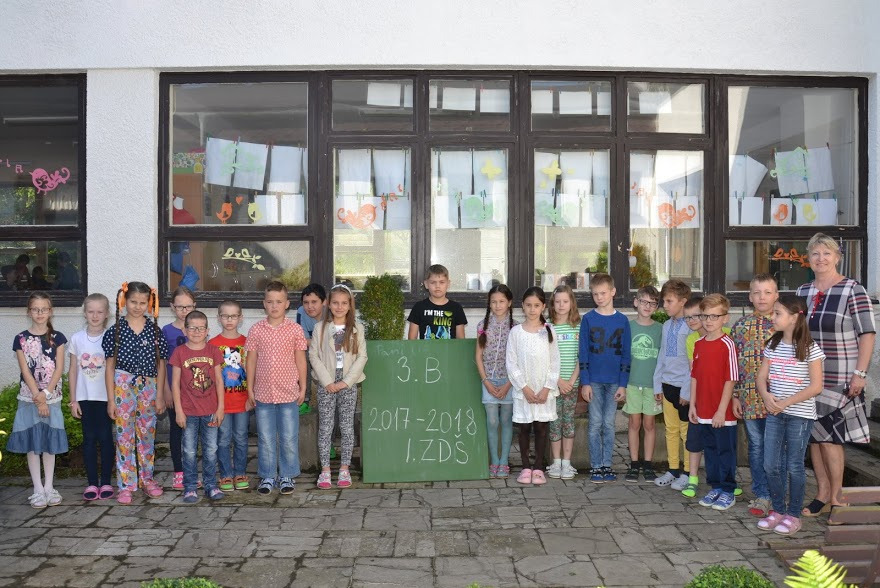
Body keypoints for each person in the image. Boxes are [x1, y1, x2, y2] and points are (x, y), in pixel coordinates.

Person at [797, 233, 876, 517]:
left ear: (837, 257)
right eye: (815, 253)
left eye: (827, 253)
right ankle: (821, 494)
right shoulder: (803, 291)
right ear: (809, 258)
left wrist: (860, 374)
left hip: (841, 376)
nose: (821, 259)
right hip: (809, 375)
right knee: (815, 437)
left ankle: (837, 497)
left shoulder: (853, 289)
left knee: (831, 439)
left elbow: (867, 334)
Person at [756, 295, 825, 536]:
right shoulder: (773, 344)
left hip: (799, 416)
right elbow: (761, 377)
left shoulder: (810, 348)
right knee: (770, 464)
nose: (772, 317)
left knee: (794, 466)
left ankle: (793, 514)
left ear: (794, 318)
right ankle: (778, 509)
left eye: (778, 313)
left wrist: (785, 403)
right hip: (775, 414)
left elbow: (816, 386)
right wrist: (766, 396)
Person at [102, 281, 170, 504]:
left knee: (147, 433)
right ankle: (126, 484)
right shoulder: (115, 331)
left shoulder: (155, 331)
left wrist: (160, 395)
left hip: (149, 386)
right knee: (124, 435)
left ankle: (147, 479)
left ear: (149, 304)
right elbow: (109, 367)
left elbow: (161, 366)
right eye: (133, 302)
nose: (138, 307)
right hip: (123, 385)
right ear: (124, 301)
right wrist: (111, 400)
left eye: (143, 302)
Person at [245, 281, 308, 496]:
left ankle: (287, 474)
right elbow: (251, 361)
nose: (274, 306)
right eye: (270, 302)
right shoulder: (256, 330)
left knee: (289, 437)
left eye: (279, 302)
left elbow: (300, 360)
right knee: (265, 437)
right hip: (263, 394)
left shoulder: (295, 329)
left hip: (288, 393)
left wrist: (303, 387)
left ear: (287, 304)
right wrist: (250, 389)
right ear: (264, 304)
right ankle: (268, 475)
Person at [8, 292, 68, 508]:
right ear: (29, 311)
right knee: (33, 444)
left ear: (50, 311)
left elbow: (59, 369)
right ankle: (37, 489)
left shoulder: (58, 338)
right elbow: (25, 370)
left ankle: (50, 486)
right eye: (35, 309)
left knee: (50, 442)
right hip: (29, 398)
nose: (40, 313)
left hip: (51, 398)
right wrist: (37, 396)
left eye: (44, 309)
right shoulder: (20, 339)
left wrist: (46, 395)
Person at [309, 284, 368, 489]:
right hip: (326, 381)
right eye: (335, 303)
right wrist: (327, 381)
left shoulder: (357, 328)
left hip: (348, 382)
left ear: (350, 305)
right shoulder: (320, 328)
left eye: (344, 303)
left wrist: (346, 381)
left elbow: (362, 357)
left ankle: (344, 468)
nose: (339, 307)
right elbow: (313, 356)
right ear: (328, 304)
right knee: (326, 426)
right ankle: (325, 470)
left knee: (346, 425)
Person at [731, 274, 779, 517]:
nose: (762, 297)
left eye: (767, 292)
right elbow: (733, 365)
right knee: (757, 446)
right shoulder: (740, 326)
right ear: (750, 297)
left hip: (777, 399)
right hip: (749, 398)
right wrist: (735, 395)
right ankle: (762, 494)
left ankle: (777, 493)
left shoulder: (784, 325)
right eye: (757, 293)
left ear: (776, 295)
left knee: (776, 448)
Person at [682, 297, 737, 498]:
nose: (709, 320)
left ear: (725, 318)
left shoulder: (728, 344)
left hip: (722, 413)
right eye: (705, 316)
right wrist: (693, 406)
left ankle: (728, 490)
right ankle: (715, 487)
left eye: (715, 316)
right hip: (703, 410)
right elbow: (694, 377)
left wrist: (721, 411)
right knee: (710, 450)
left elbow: (731, 379)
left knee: (725, 451)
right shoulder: (698, 344)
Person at [580, 273, 631, 484]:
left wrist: (623, 384)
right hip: (593, 381)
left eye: (603, 293)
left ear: (613, 292)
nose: (599, 297)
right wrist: (585, 382)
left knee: (609, 424)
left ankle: (607, 465)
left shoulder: (623, 321)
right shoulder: (588, 319)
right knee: (595, 424)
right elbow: (583, 352)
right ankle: (595, 466)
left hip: (614, 382)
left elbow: (626, 355)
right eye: (595, 294)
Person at [170, 310, 225, 503]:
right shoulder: (179, 352)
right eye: (192, 328)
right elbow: (175, 384)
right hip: (188, 412)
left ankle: (211, 485)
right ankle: (190, 487)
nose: (196, 332)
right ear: (185, 330)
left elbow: (219, 381)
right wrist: (178, 411)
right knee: (189, 451)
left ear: (207, 331)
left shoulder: (213, 351)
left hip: (210, 411)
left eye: (201, 328)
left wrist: (220, 408)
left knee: (211, 449)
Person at [507, 287, 559, 486]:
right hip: (524, 391)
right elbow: (511, 363)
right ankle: (525, 467)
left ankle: (538, 468)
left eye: (536, 305)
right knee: (524, 428)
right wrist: (524, 388)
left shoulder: (548, 331)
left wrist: (547, 388)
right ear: (522, 306)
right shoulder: (516, 332)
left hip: (543, 391)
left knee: (541, 428)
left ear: (543, 307)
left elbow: (555, 362)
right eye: (528, 305)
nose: (532, 309)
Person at [68, 293, 115, 501]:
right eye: (91, 311)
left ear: (106, 314)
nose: (95, 316)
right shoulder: (77, 339)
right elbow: (72, 370)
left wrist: (114, 399)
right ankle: (92, 483)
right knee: (89, 439)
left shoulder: (111, 337)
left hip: (105, 397)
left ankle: (106, 481)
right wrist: (73, 399)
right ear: (85, 313)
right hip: (84, 397)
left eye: (99, 312)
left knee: (105, 438)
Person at [652, 279, 692, 490]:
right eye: (664, 301)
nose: (665, 305)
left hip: (684, 389)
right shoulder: (666, 326)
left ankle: (688, 472)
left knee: (686, 432)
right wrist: (657, 384)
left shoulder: (691, 326)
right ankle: (673, 469)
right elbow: (661, 357)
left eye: (669, 301)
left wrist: (687, 390)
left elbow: (693, 364)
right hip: (667, 385)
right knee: (671, 430)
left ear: (683, 301)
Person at [476, 284, 517, 479]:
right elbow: (478, 356)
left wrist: (509, 383)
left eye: (502, 301)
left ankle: (504, 461)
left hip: (509, 381)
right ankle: (494, 460)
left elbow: (519, 360)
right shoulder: (482, 326)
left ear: (509, 303)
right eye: (493, 302)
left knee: (506, 421)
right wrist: (486, 381)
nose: (498, 305)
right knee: (492, 421)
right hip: (489, 380)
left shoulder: (516, 327)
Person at [210, 299, 251, 493]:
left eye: (233, 316)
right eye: (225, 316)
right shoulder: (213, 344)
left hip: (242, 401)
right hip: (221, 403)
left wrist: (251, 395)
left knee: (241, 438)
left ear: (240, 318)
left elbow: (253, 371)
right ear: (219, 318)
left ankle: (240, 473)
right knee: (223, 439)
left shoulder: (247, 343)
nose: (229, 320)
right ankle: (225, 474)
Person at [623, 285, 662, 483]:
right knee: (634, 423)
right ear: (636, 302)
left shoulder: (660, 329)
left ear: (656, 307)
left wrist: (660, 386)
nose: (648, 306)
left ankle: (647, 463)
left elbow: (662, 361)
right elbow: (622, 358)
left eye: (652, 303)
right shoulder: (628, 327)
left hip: (652, 385)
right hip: (632, 383)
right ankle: (634, 463)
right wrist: (621, 384)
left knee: (649, 424)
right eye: (644, 302)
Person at [162, 286, 196, 491]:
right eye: (180, 306)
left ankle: (192, 471)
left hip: (194, 392)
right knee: (176, 430)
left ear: (194, 306)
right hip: (174, 390)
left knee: (193, 432)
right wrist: (165, 390)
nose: (184, 310)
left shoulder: (198, 329)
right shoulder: (166, 331)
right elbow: (161, 363)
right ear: (172, 307)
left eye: (188, 306)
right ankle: (179, 472)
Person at [547, 285, 581, 480]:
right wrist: (558, 380)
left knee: (568, 422)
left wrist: (571, 381)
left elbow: (581, 357)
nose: (561, 305)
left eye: (565, 301)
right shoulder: (547, 326)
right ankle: (556, 462)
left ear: (571, 303)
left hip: (571, 384)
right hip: (553, 385)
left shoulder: (578, 326)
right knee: (554, 422)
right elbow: (544, 357)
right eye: (557, 301)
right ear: (552, 304)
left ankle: (567, 463)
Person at [407, 264, 467, 340]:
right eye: (433, 282)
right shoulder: (419, 307)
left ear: (448, 284)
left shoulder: (456, 308)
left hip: (449, 348)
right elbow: (412, 339)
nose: (437, 286)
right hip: (425, 348)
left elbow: (461, 339)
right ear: (426, 284)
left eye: (442, 282)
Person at [296, 283, 327, 414]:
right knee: (300, 355)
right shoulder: (301, 312)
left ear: (324, 302)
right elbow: (301, 340)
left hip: (331, 352)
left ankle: (330, 397)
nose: (309, 306)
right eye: (306, 302)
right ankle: (304, 400)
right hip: (313, 349)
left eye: (314, 302)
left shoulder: (332, 313)